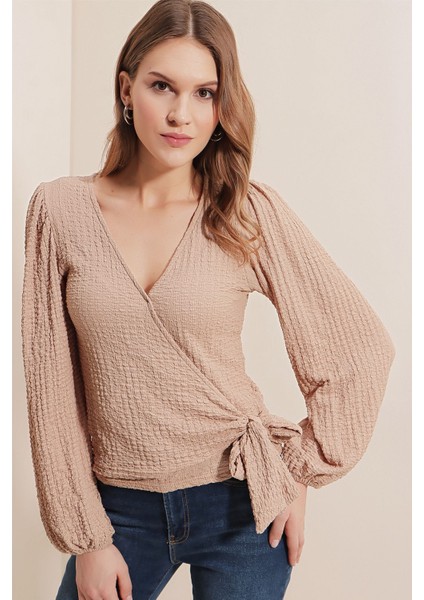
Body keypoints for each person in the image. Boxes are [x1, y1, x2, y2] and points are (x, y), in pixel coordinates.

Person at [20, 0, 396, 599]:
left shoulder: (245, 211)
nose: (181, 114)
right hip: (118, 510)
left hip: (242, 504)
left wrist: (298, 469)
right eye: (161, 86)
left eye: (204, 93)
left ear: (223, 106)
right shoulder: (59, 211)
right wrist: (87, 537)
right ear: (126, 88)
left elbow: (361, 349)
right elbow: (51, 388)